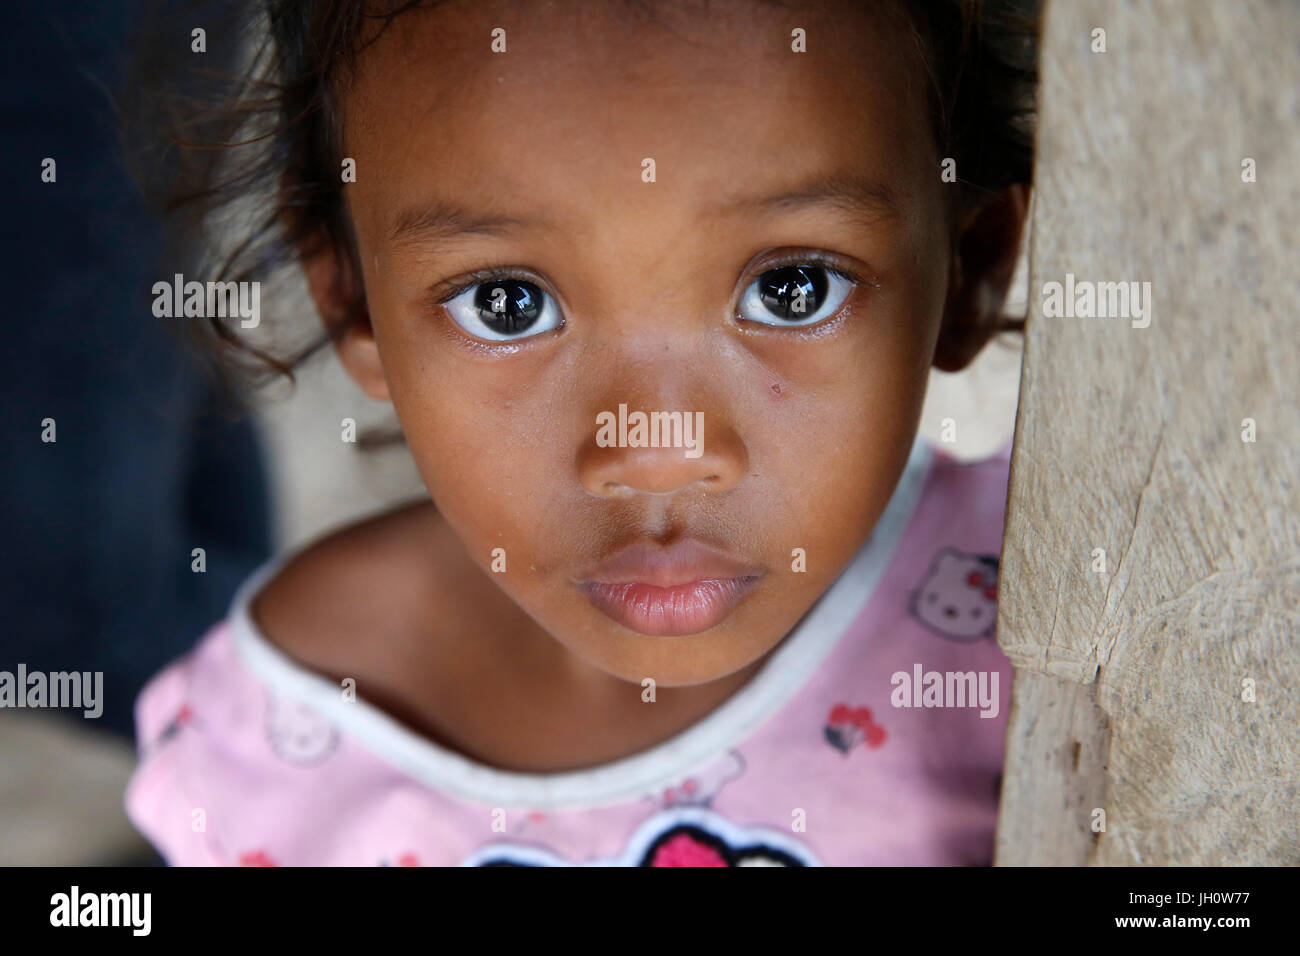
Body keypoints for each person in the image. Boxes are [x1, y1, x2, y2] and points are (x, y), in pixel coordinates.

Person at [125, 0, 1038, 866]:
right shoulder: (273, 748)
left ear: (969, 270)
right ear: (352, 299)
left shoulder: (1034, 624)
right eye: (506, 304)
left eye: (793, 288)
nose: (656, 451)